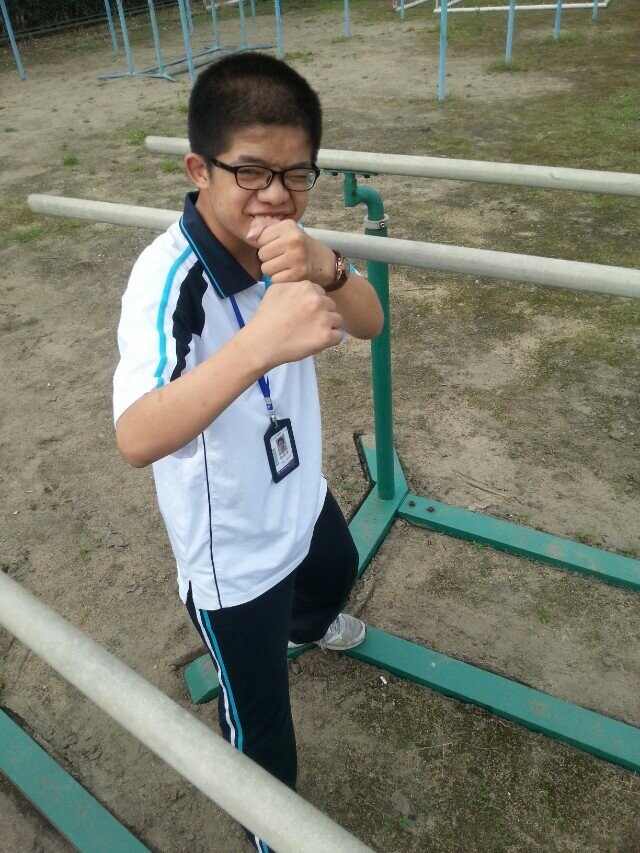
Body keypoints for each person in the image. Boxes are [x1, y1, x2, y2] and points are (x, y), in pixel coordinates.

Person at [113, 51, 383, 851]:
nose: (276, 196)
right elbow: (136, 434)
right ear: (200, 169)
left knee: (336, 570)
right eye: (253, 172)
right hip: (232, 555)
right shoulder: (169, 280)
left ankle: (306, 624)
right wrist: (261, 343)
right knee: (263, 730)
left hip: (299, 494)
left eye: (297, 175)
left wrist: (329, 265)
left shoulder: (290, 246)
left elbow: (371, 321)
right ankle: (272, 837)